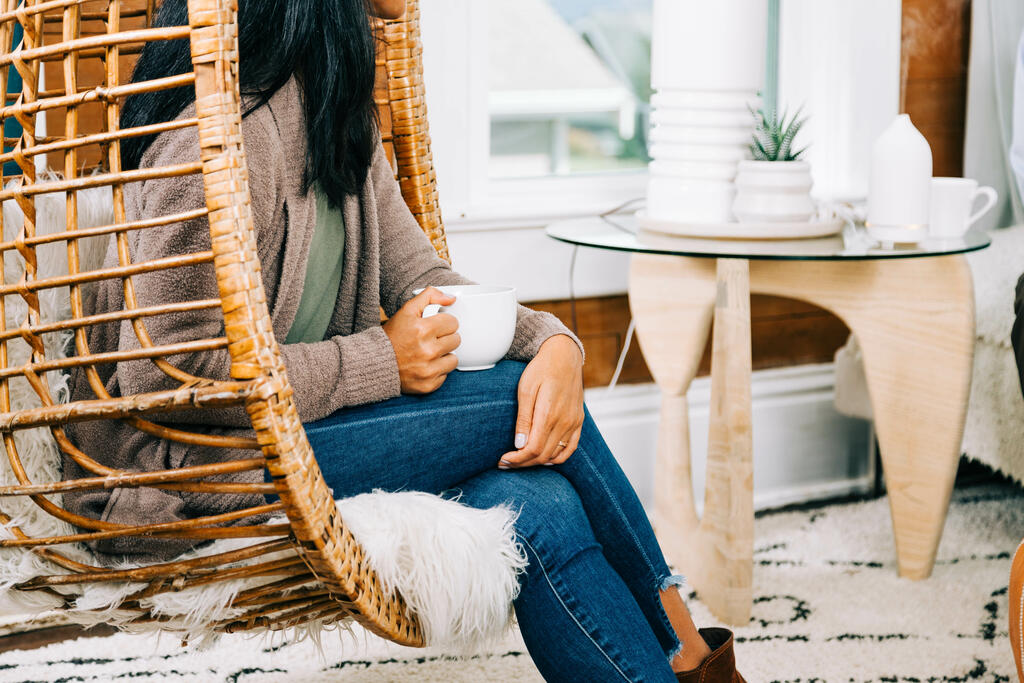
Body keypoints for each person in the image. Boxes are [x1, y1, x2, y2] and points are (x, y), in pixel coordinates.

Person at [63, 1, 745, 680]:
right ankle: (687, 648)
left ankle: (677, 663)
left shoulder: (335, 111)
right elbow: (165, 375)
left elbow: (425, 279)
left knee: (545, 506)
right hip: (195, 465)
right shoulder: (215, 140)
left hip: (305, 437)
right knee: (513, 395)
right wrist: (380, 360)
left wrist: (552, 343)